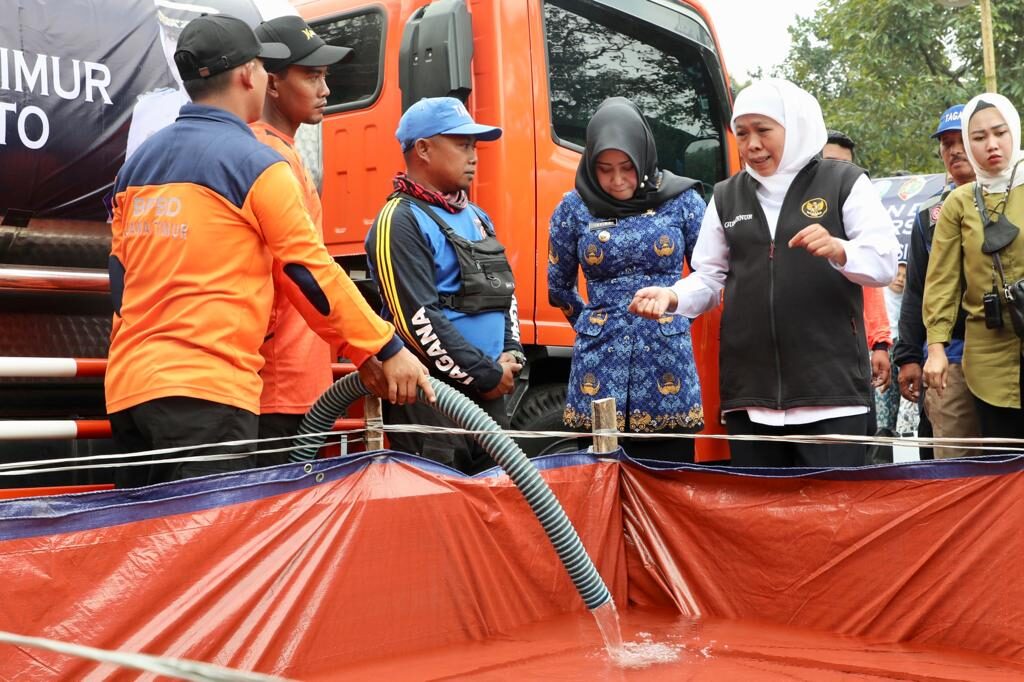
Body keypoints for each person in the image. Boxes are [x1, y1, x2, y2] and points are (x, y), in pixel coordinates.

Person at [106, 14, 433, 487]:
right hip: (209, 392)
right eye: (264, 67)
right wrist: (382, 346)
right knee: (218, 552)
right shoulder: (255, 162)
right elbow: (307, 270)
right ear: (249, 74)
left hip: (130, 391)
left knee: (148, 549)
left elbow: (120, 277)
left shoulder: (137, 164)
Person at [630, 79, 899, 468]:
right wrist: (672, 296)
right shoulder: (726, 196)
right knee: (761, 521)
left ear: (795, 127)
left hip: (831, 395)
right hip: (749, 398)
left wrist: (842, 250)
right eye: (742, 133)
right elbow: (708, 278)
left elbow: (884, 262)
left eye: (763, 131)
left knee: (830, 521)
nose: (752, 144)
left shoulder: (843, 182)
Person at [364, 97, 524, 474]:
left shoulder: (479, 217)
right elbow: (417, 320)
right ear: (423, 149)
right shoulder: (398, 221)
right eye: (462, 144)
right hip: (432, 398)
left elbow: (505, 295)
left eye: (474, 146)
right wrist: (484, 375)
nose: (474, 156)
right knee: (442, 518)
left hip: (490, 394)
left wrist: (512, 356)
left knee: (493, 513)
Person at [548, 97, 707, 463]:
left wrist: (675, 317)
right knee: (600, 478)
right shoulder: (573, 208)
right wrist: (594, 325)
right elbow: (559, 286)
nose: (617, 180)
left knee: (668, 482)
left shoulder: (683, 201)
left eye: (627, 167)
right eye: (604, 169)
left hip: (668, 362)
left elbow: (710, 277)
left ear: (644, 157)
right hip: (598, 366)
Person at [249, 15, 359, 460]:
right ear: (271, 83)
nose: (325, 89)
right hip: (277, 384)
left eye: (325, 76)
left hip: (291, 382)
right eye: (312, 75)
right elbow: (302, 269)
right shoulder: (266, 154)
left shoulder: (280, 151)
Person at [924, 94, 1024, 439]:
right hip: (988, 355)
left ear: (1015, 130)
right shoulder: (958, 203)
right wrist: (935, 348)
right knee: (1002, 465)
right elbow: (942, 281)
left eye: (1000, 133)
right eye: (979, 138)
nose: (991, 145)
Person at [894, 104, 980, 458]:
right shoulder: (929, 215)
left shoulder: (1012, 200)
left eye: (962, 140)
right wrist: (910, 355)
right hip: (950, 355)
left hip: (1006, 353)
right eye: (946, 143)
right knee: (954, 466)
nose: (955, 150)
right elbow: (916, 289)